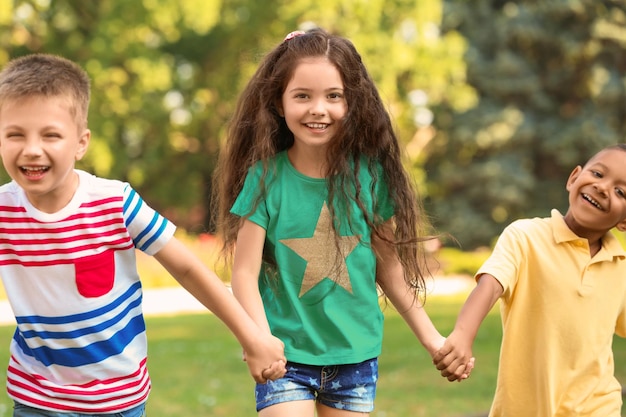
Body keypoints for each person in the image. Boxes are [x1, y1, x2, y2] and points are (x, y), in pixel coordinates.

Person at [0, 53, 287, 417]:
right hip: (36, 399)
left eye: (50, 135)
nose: (31, 149)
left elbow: (188, 269)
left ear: (80, 142)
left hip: (117, 401)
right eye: (15, 135)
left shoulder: (114, 202)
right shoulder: (4, 211)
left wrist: (252, 336)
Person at [211, 28, 472, 417]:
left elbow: (389, 268)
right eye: (303, 96)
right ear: (279, 104)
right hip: (286, 358)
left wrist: (433, 339)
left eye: (334, 96)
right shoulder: (265, 179)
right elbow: (244, 275)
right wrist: (259, 340)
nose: (319, 109)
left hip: (355, 359)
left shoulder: (369, 178)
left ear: (353, 103)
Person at [433, 144, 626, 416]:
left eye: (621, 192)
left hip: (599, 406)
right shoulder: (525, 237)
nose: (603, 188)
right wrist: (463, 335)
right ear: (573, 178)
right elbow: (490, 284)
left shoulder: (621, 266)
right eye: (597, 174)